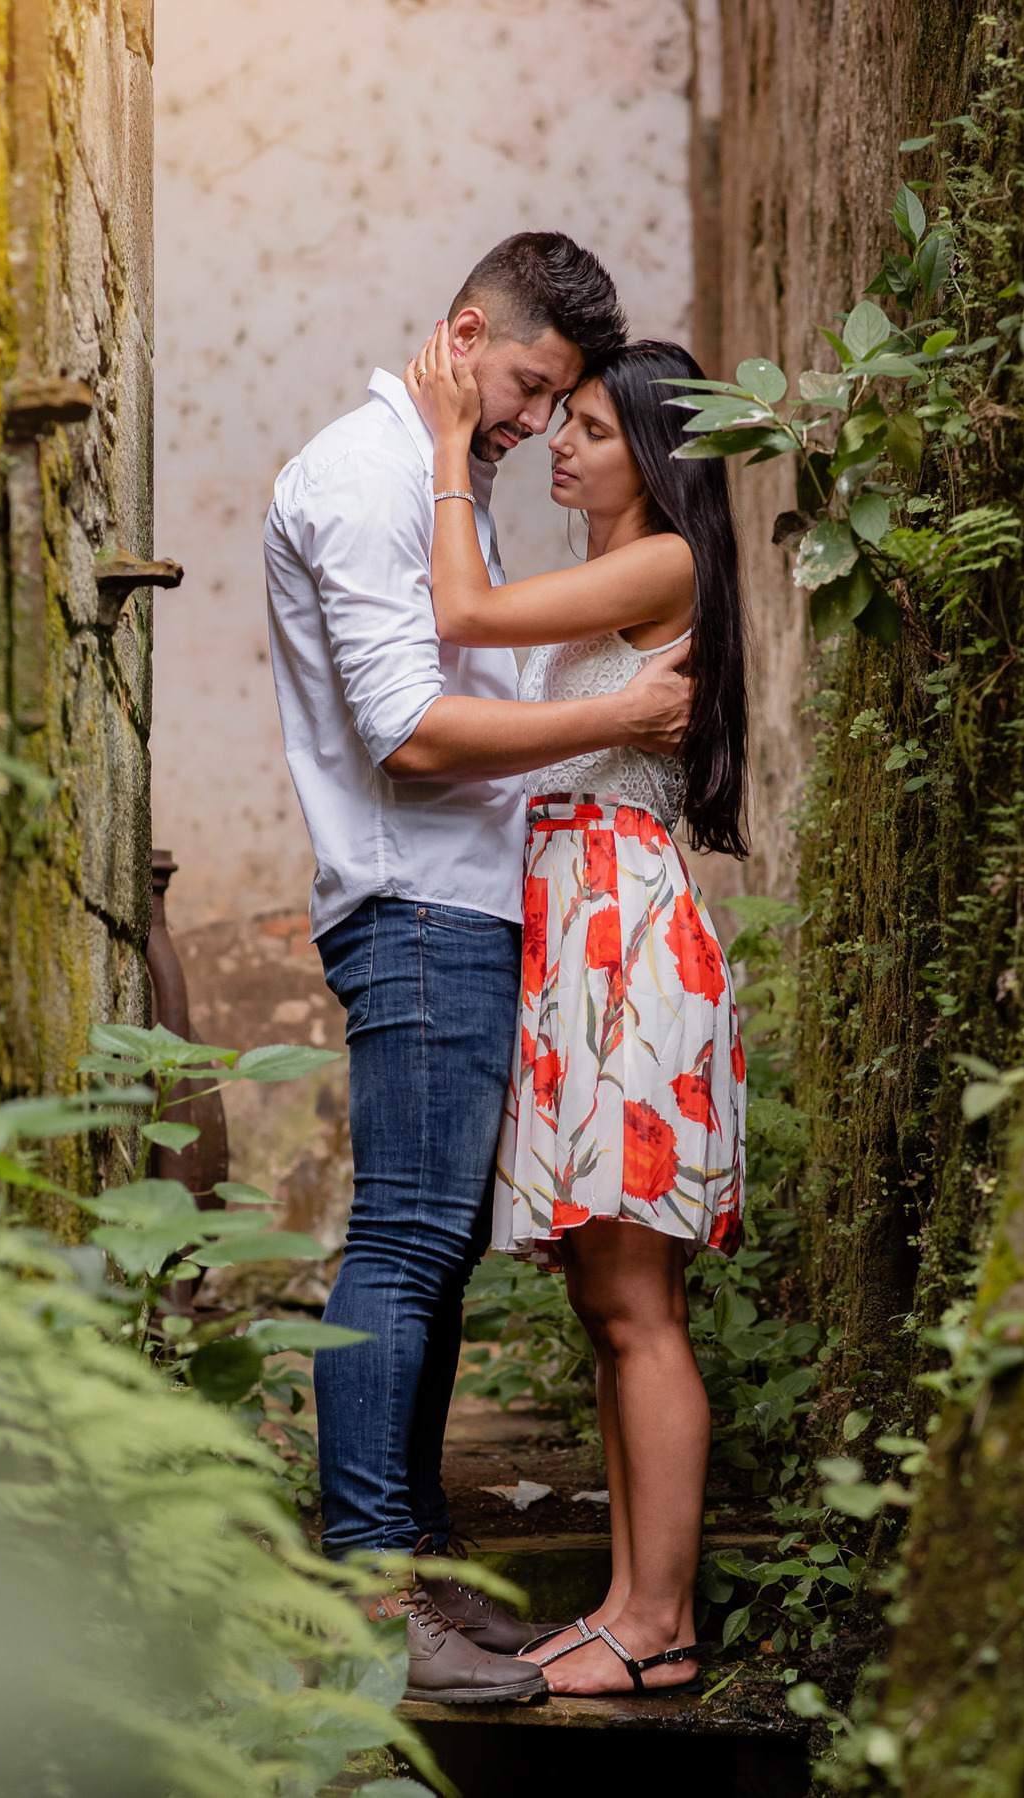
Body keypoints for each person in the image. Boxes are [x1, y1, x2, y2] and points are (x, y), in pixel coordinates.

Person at [263, 233, 695, 1704]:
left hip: (468, 909)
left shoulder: (443, 481)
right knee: (401, 1244)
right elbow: (412, 730)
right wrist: (615, 715)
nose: (531, 421)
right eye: (526, 386)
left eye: (560, 403)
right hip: (419, 907)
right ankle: (376, 1602)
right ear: (463, 338)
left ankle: (420, 1571)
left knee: (430, 1251)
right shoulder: (372, 475)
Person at [405, 322, 748, 1698]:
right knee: (611, 1304)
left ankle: (659, 1621)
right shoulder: (616, 579)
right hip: (585, 943)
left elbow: (462, 615)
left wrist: (449, 444)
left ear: (655, 456)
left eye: (595, 428)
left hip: (627, 942)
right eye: (567, 419)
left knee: (637, 1306)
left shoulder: (662, 561)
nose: (563, 440)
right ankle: (626, 1609)